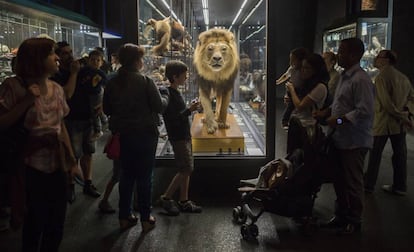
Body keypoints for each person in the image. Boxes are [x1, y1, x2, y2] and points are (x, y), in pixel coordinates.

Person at [0, 37, 75, 251]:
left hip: (56, 165)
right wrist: (26, 101)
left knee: (56, 224)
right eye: (52, 54)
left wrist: (70, 161)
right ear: (37, 59)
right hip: (28, 167)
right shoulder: (12, 86)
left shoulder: (57, 89)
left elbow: (61, 128)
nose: (57, 57)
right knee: (34, 223)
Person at [103, 43, 169, 232]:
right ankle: (146, 218)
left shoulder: (111, 82)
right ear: (136, 61)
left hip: (123, 135)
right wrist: (165, 93)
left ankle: (124, 217)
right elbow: (159, 107)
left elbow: (107, 109)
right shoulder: (145, 81)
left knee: (126, 176)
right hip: (145, 135)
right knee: (145, 176)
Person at [315, 38, 375, 235]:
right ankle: (341, 215)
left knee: (353, 181)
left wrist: (338, 121)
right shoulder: (344, 77)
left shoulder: (361, 80)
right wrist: (326, 113)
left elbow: (363, 111)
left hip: (354, 142)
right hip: (340, 139)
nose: (338, 55)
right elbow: (340, 103)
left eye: (341, 52)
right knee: (339, 180)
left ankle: (354, 220)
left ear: (354, 55)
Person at [363, 50, 414, 195]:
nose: (376, 58)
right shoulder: (403, 77)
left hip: (383, 123)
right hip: (399, 125)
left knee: (375, 154)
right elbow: (412, 98)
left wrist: (400, 115)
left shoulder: (381, 77)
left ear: (386, 60)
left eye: (379, 56)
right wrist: (407, 114)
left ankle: (368, 185)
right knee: (400, 155)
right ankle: (400, 186)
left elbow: (386, 104)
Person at [158, 60, 202, 216]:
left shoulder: (175, 92)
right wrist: (189, 110)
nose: (186, 77)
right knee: (185, 169)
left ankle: (184, 200)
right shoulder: (168, 93)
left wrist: (189, 109)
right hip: (178, 137)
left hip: (184, 135)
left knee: (187, 169)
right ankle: (166, 197)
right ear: (175, 76)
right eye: (184, 75)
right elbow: (173, 118)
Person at [51, 41, 82, 203]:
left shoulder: (74, 70)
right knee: (70, 154)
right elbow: (68, 94)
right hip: (67, 120)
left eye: (70, 52)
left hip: (81, 117)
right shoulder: (55, 76)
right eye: (64, 53)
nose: (69, 55)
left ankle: (85, 181)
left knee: (83, 152)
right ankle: (69, 185)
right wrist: (74, 74)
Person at [285, 53, 329, 153]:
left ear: (316, 69)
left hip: (307, 128)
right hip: (298, 125)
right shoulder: (307, 83)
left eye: (307, 68)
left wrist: (292, 90)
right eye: (302, 68)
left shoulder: (320, 87)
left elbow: (300, 106)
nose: (303, 71)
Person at [276, 47, 309, 130]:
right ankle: (285, 121)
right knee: (290, 106)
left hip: (300, 91)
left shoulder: (303, 70)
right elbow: (285, 75)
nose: (291, 62)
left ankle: (288, 121)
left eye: (293, 60)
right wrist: (278, 81)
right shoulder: (292, 69)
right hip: (292, 89)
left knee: (294, 107)